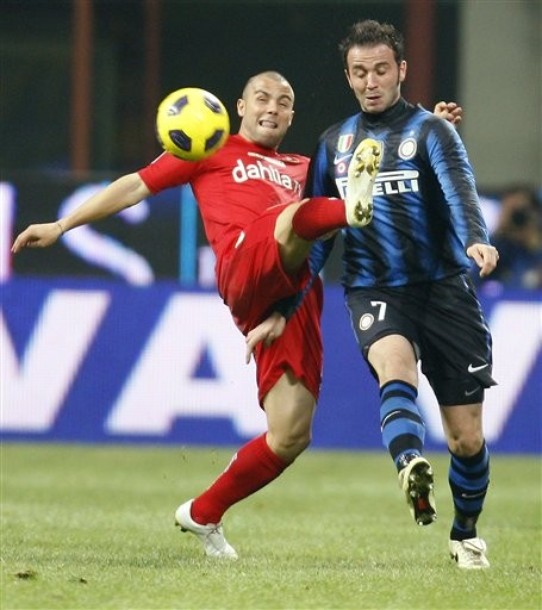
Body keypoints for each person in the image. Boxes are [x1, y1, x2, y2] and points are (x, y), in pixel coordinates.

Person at [12, 69, 462, 561]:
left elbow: (389, 186)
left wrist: (421, 138)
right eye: (262, 98)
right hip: (245, 266)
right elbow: (133, 187)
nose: (273, 107)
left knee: (290, 434)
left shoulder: (304, 165)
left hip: (293, 296)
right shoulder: (208, 150)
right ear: (240, 108)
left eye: (284, 101)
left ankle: (203, 512)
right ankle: (344, 209)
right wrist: (62, 224)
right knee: (297, 215)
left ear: (292, 115)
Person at [253, 21, 498, 569]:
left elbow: (460, 191)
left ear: (401, 71)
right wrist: (287, 306)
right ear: (348, 76)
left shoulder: (432, 131)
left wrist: (476, 240)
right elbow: (315, 232)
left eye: (381, 70)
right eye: (360, 72)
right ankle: (411, 464)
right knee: (393, 366)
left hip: (444, 289)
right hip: (374, 286)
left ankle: (465, 533)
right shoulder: (334, 145)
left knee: (466, 439)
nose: (371, 82)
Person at [477, 184, 542, 290]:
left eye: (519, 211)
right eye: (510, 211)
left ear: (534, 213)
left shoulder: (537, 249)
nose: (516, 218)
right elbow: (474, 280)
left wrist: (532, 239)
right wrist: (500, 230)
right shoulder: (501, 247)